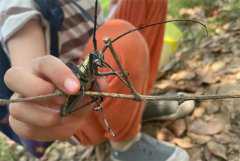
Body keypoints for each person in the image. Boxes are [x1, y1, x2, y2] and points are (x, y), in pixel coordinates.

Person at [0, 0, 189, 160]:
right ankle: (125, 145)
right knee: (117, 34)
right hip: (77, 116)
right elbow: (28, 68)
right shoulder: (18, 6)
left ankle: (134, 107)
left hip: (97, 82)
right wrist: (32, 93)